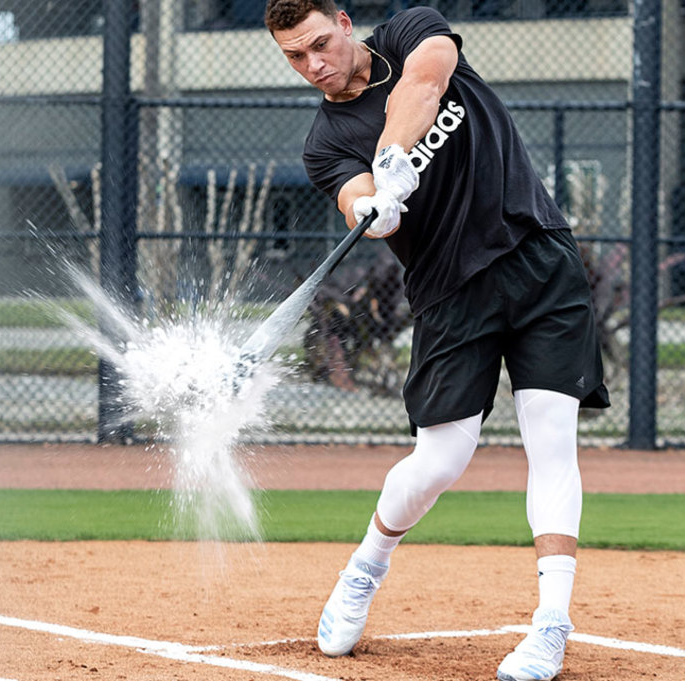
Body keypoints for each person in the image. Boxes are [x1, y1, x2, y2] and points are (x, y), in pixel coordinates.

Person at [264, 2, 610, 679]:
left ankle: (550, 624)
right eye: (294, 58)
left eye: (317, 45)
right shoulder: (326, 142)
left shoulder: (410, 30)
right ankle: (366, 566)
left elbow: (424, 81)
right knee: (442, 458)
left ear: (343, 20)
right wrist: (374, 205)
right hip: (452, 293)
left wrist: (393, 155)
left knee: (551, 442)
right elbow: (355, 196)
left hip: (540, 258)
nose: (313, 66)